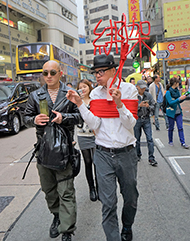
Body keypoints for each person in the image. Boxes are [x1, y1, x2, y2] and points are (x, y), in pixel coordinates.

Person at [67, 54, 139, 241]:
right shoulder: (96, 94)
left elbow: (130, 123)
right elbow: (95, 124)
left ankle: (127, 226)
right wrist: (80, 104)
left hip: (126, 153)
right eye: (95, 72)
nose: (97, 76)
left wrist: (119, 103)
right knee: (108, 202)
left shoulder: (129, 89)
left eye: (101, 72)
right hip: (103, 154)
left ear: (113, 71)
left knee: (130, 198)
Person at [24, 60, 83, 241]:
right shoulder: (35, 96)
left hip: (65, 150)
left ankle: (67, 230)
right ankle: (57, 216)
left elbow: (81, 116)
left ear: (60, 73)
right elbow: (26, 117)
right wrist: (34, 120)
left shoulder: (71, 94)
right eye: (45, 73)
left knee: (66, 190)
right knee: (49, 190)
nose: (48, 76)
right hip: (43, 150)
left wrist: (63, 117)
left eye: (52, 73)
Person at [76, 79, 97, 201]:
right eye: (80, 87)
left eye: (85, 86)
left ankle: (99, 187)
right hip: (82, 134)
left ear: (89, 87)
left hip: (94, 135)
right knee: (88, 162)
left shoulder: (94, 101)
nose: (82, 89)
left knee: (96, 161)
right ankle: (92, 189)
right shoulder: (77, 102)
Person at [134, 80, 157, 166]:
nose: (143, 89)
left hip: (146, 118)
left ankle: (151, 158)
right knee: (137, 139)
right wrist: (139, 106)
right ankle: (138, 155)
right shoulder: (134, 96)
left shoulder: (148, 95)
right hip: (137, 119)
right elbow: (130, 108)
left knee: (150, 138)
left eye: (144, 87)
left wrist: (148, 107)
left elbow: (153, 106)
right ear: (137, 87)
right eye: (142, 87)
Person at [166, 77, 189, 149]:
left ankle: (183, 142)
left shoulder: (177, 91)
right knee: (171, 128)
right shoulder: (168, 92)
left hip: (178, 112)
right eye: (178, 83)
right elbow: (170, 103)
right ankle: (170, 141)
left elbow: (179, 101)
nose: (179, 84)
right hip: (171, 112)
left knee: (180, 127)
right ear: (175, 84)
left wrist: (183, 98)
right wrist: (179, 99)